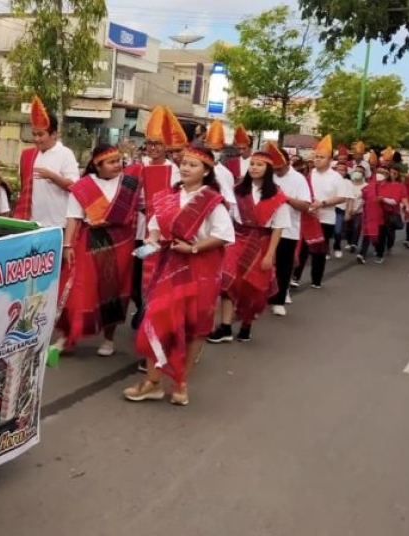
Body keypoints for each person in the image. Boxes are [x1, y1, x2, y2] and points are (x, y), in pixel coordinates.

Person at [124, 147, 234, 406]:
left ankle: (181, 383)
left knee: (193, 328)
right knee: (155, 322)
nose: (186, 168)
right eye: (184, 163)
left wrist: (193, 247)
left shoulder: (212, 201)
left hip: (200, 270)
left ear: (206, 172)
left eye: (193, 165)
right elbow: (153, 234)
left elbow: (223, 236)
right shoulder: (165, 197)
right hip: (168, 268)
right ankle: (153, 382)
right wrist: (139, 253)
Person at [51, 144, 140, 356]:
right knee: (77, 289)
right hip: (90, 240)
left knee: (115, 291)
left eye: (119, 160)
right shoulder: (83, 186)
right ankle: (68, 336)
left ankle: (109, 340)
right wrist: (68, 245)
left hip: (120, 242)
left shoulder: (130, 184)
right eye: (111, 162)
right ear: (97, 165)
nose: (118, 165)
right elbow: (73, 217)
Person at [208, 151, 289, 343]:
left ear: (268, 169)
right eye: (252, 164)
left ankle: (247, 323)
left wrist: (270, 255)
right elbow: (228, 218)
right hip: (236, 240)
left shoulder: (277, 196)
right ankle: (226, 327)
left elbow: (278, 228)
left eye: (259, 164)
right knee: (227, 282)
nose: (254, 167)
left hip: (261, 243)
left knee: (253, 287)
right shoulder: (238, 190)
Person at [122, 106, 176, 334]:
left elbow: (174, 201)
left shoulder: (173, 169)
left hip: (158, 232)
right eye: (150, 143)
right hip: (136, 228)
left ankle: (149, 313)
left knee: (153, 275)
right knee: (134, 275)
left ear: (166, 147)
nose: (153, 148)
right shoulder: (136, 167)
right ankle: (141, 307)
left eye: (158, 144)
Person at [292, 135, 351, 289]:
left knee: (319, 251)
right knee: (303, 248)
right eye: (316, 156)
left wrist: (322, 203)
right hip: (307, 216)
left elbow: (342, 197)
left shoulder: (336, 177)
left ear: (330, 160)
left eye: (321, 157)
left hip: (325, 219)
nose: (317, 160)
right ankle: (295, 277)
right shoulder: (308, 174)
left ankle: (316, 280)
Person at [12, 96, 80, 227]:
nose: (36, 139)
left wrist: (52, 176)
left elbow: (74, 187)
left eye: (41, 135)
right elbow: (24, 191)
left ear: (54, 134)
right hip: (32, 223)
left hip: (58, 224)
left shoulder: (65, 154)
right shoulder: (28, 155)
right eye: (34, 134)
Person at [265, 144, 311, 316]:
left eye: (279, 168)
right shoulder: (268, 176)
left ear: (287, 163)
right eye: (273, 168)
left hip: (288, 229)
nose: (276, 171)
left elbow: (305, 206)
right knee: (264, 264)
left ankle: (279, 300)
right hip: (266, 228)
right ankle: (263, 295)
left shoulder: (298, 179)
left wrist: (285, 198)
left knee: (284, 266)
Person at [204, 119, 237, 208]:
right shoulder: (198, 168)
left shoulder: (227, 173)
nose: (213, 152)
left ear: (222, 151)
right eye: (210, 149)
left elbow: (230, 199)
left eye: (216, 150)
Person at [332, 162, 352, 258]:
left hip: (340, 209)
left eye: (342, 170)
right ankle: (325, 250)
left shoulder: (348, 183)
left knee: (338, 230)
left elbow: (350, 198)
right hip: (328, 208)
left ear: (346, 172)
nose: (340, 172)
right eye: (338, 170)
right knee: (326, 231)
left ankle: (337, 247)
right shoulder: (330, 181)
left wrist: (348, 212)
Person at [345, 165, 367, 253]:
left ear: (363, 174)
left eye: (360, 172)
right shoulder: (349, 184)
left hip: (359, 210)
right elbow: (346, 197)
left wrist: (357, 209)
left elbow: (364, 199)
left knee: (356, 227)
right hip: (347, 209)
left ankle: (354, 243)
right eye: (356, 171)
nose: (357, 173)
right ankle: (349, 242)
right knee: (347, 227)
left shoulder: (366, 186)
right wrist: (348, 209)